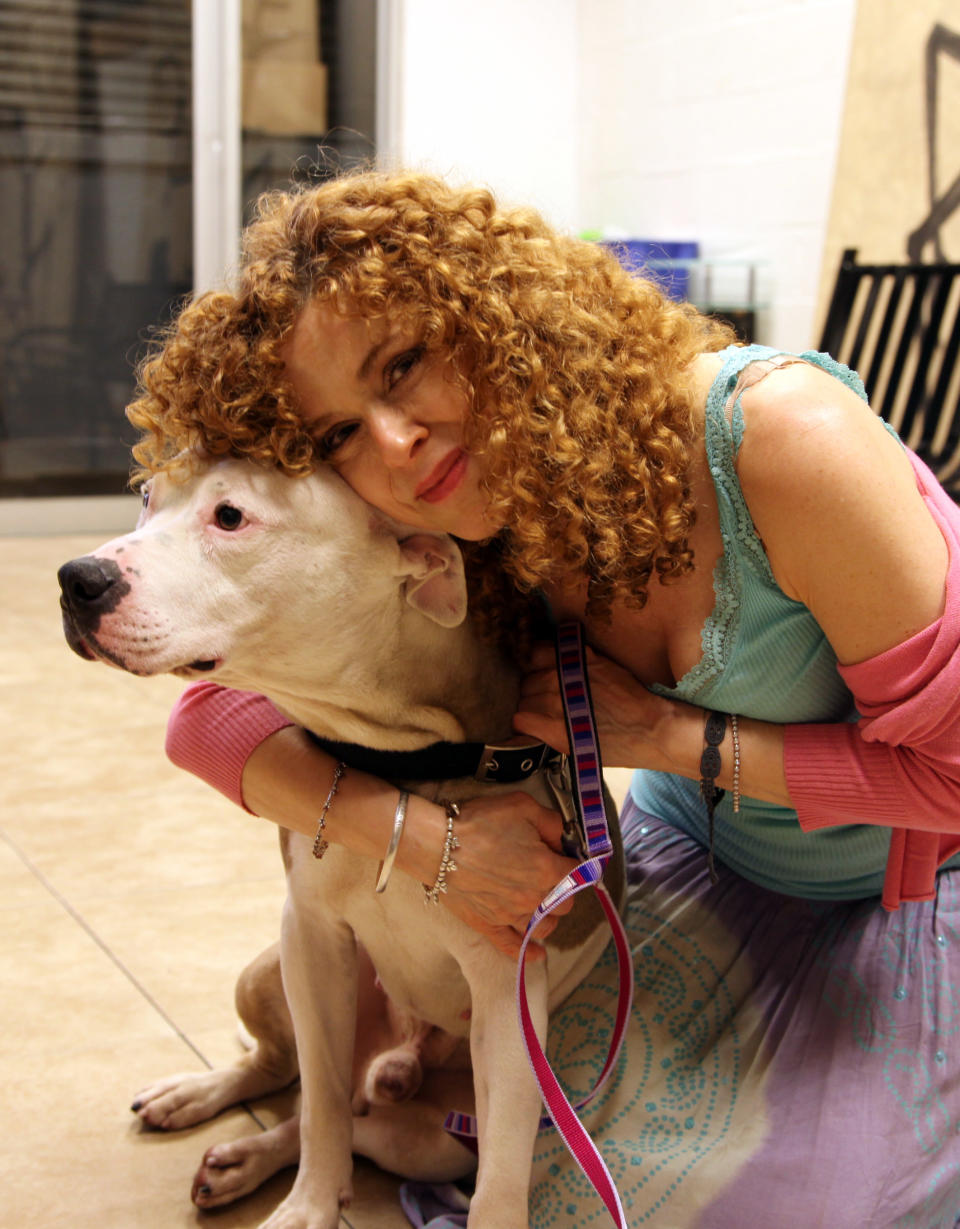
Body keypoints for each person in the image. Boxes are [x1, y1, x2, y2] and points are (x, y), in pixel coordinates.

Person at [128, 169, 960, 1228]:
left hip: (906, 895)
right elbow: (206, 719)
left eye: (406, 363)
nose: (393, 444)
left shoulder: (783, 436)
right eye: (339, 433)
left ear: (500, 317)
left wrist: (672, 735)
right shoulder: (479, 523)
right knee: (509, 1153)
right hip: (697, 863)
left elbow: (955, 779)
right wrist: (429, 841)